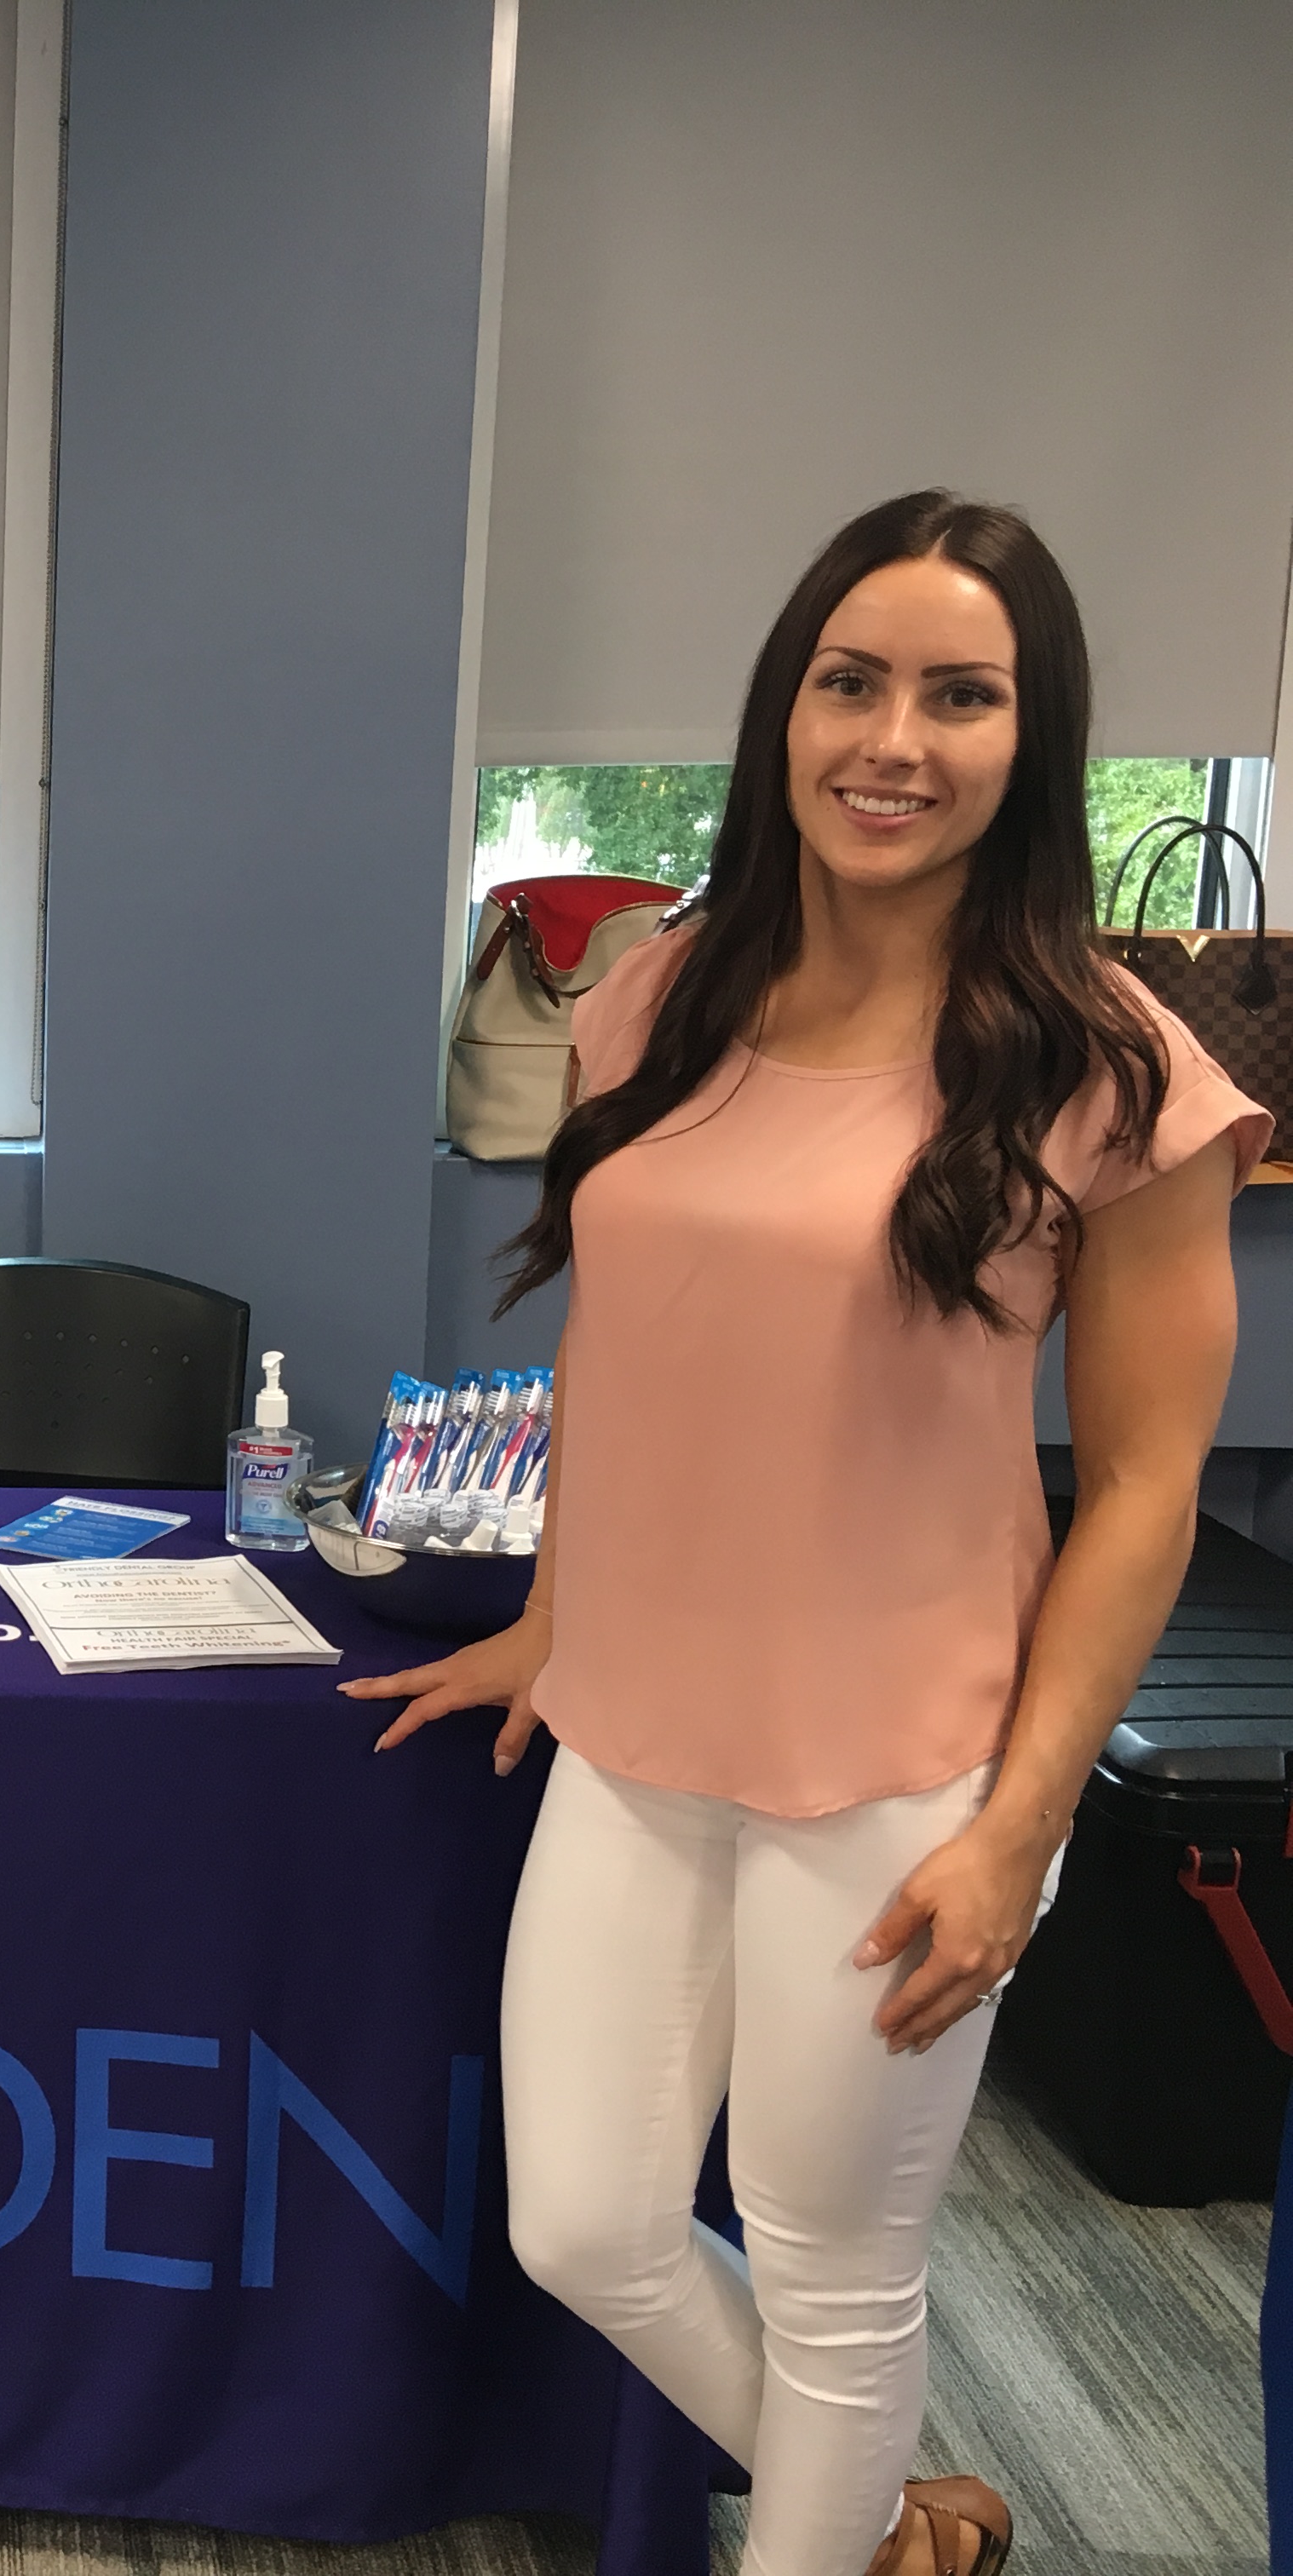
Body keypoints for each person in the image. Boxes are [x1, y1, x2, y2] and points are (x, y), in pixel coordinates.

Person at [348, 490, 1262, 2576]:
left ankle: (849, 2524)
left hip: (908, 1757)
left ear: (1033, 744)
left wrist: (1020, 1827)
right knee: (580, 2217)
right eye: (854, 680)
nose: (896, 738)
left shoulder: (1114, 1072)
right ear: (785, 709)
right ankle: (893, 2523)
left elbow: (1137, 1486)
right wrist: (554, 1621)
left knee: (837, 2275)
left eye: (964, 695)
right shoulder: (657, 1000)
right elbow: (628, 1350)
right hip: (640, 1728)